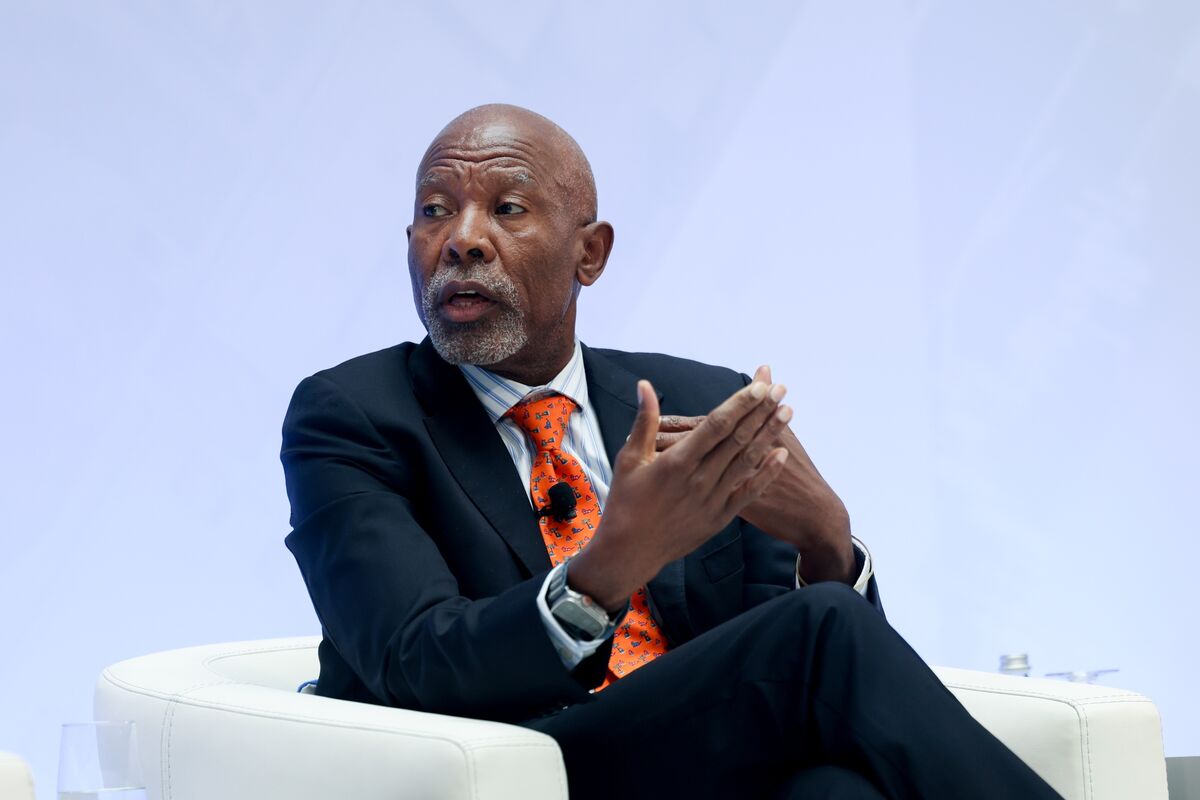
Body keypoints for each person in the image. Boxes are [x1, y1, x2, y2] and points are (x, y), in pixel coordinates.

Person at [282, 104, 1060, 799]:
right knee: (821, 630)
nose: (461, 241)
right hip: (526, 770)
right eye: (434, 212)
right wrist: (606, 570)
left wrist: (827, 541)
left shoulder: (700, 402)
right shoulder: (353, 417)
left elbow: (784, 671)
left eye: (507, 209)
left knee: (835, 789)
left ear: (590, 254)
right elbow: (414, 660)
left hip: (704, 765)